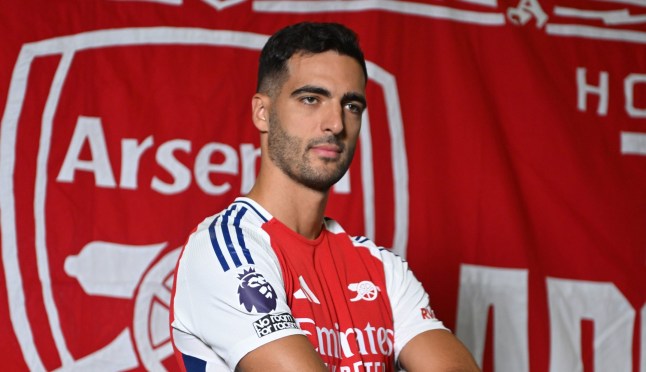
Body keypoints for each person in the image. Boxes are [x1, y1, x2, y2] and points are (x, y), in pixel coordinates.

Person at [170, 22, 480, 371]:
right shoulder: (225, 248)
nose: (335, 123)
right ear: (263, 113)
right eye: (311, 99)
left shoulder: (382, 269)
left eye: (351, 106)